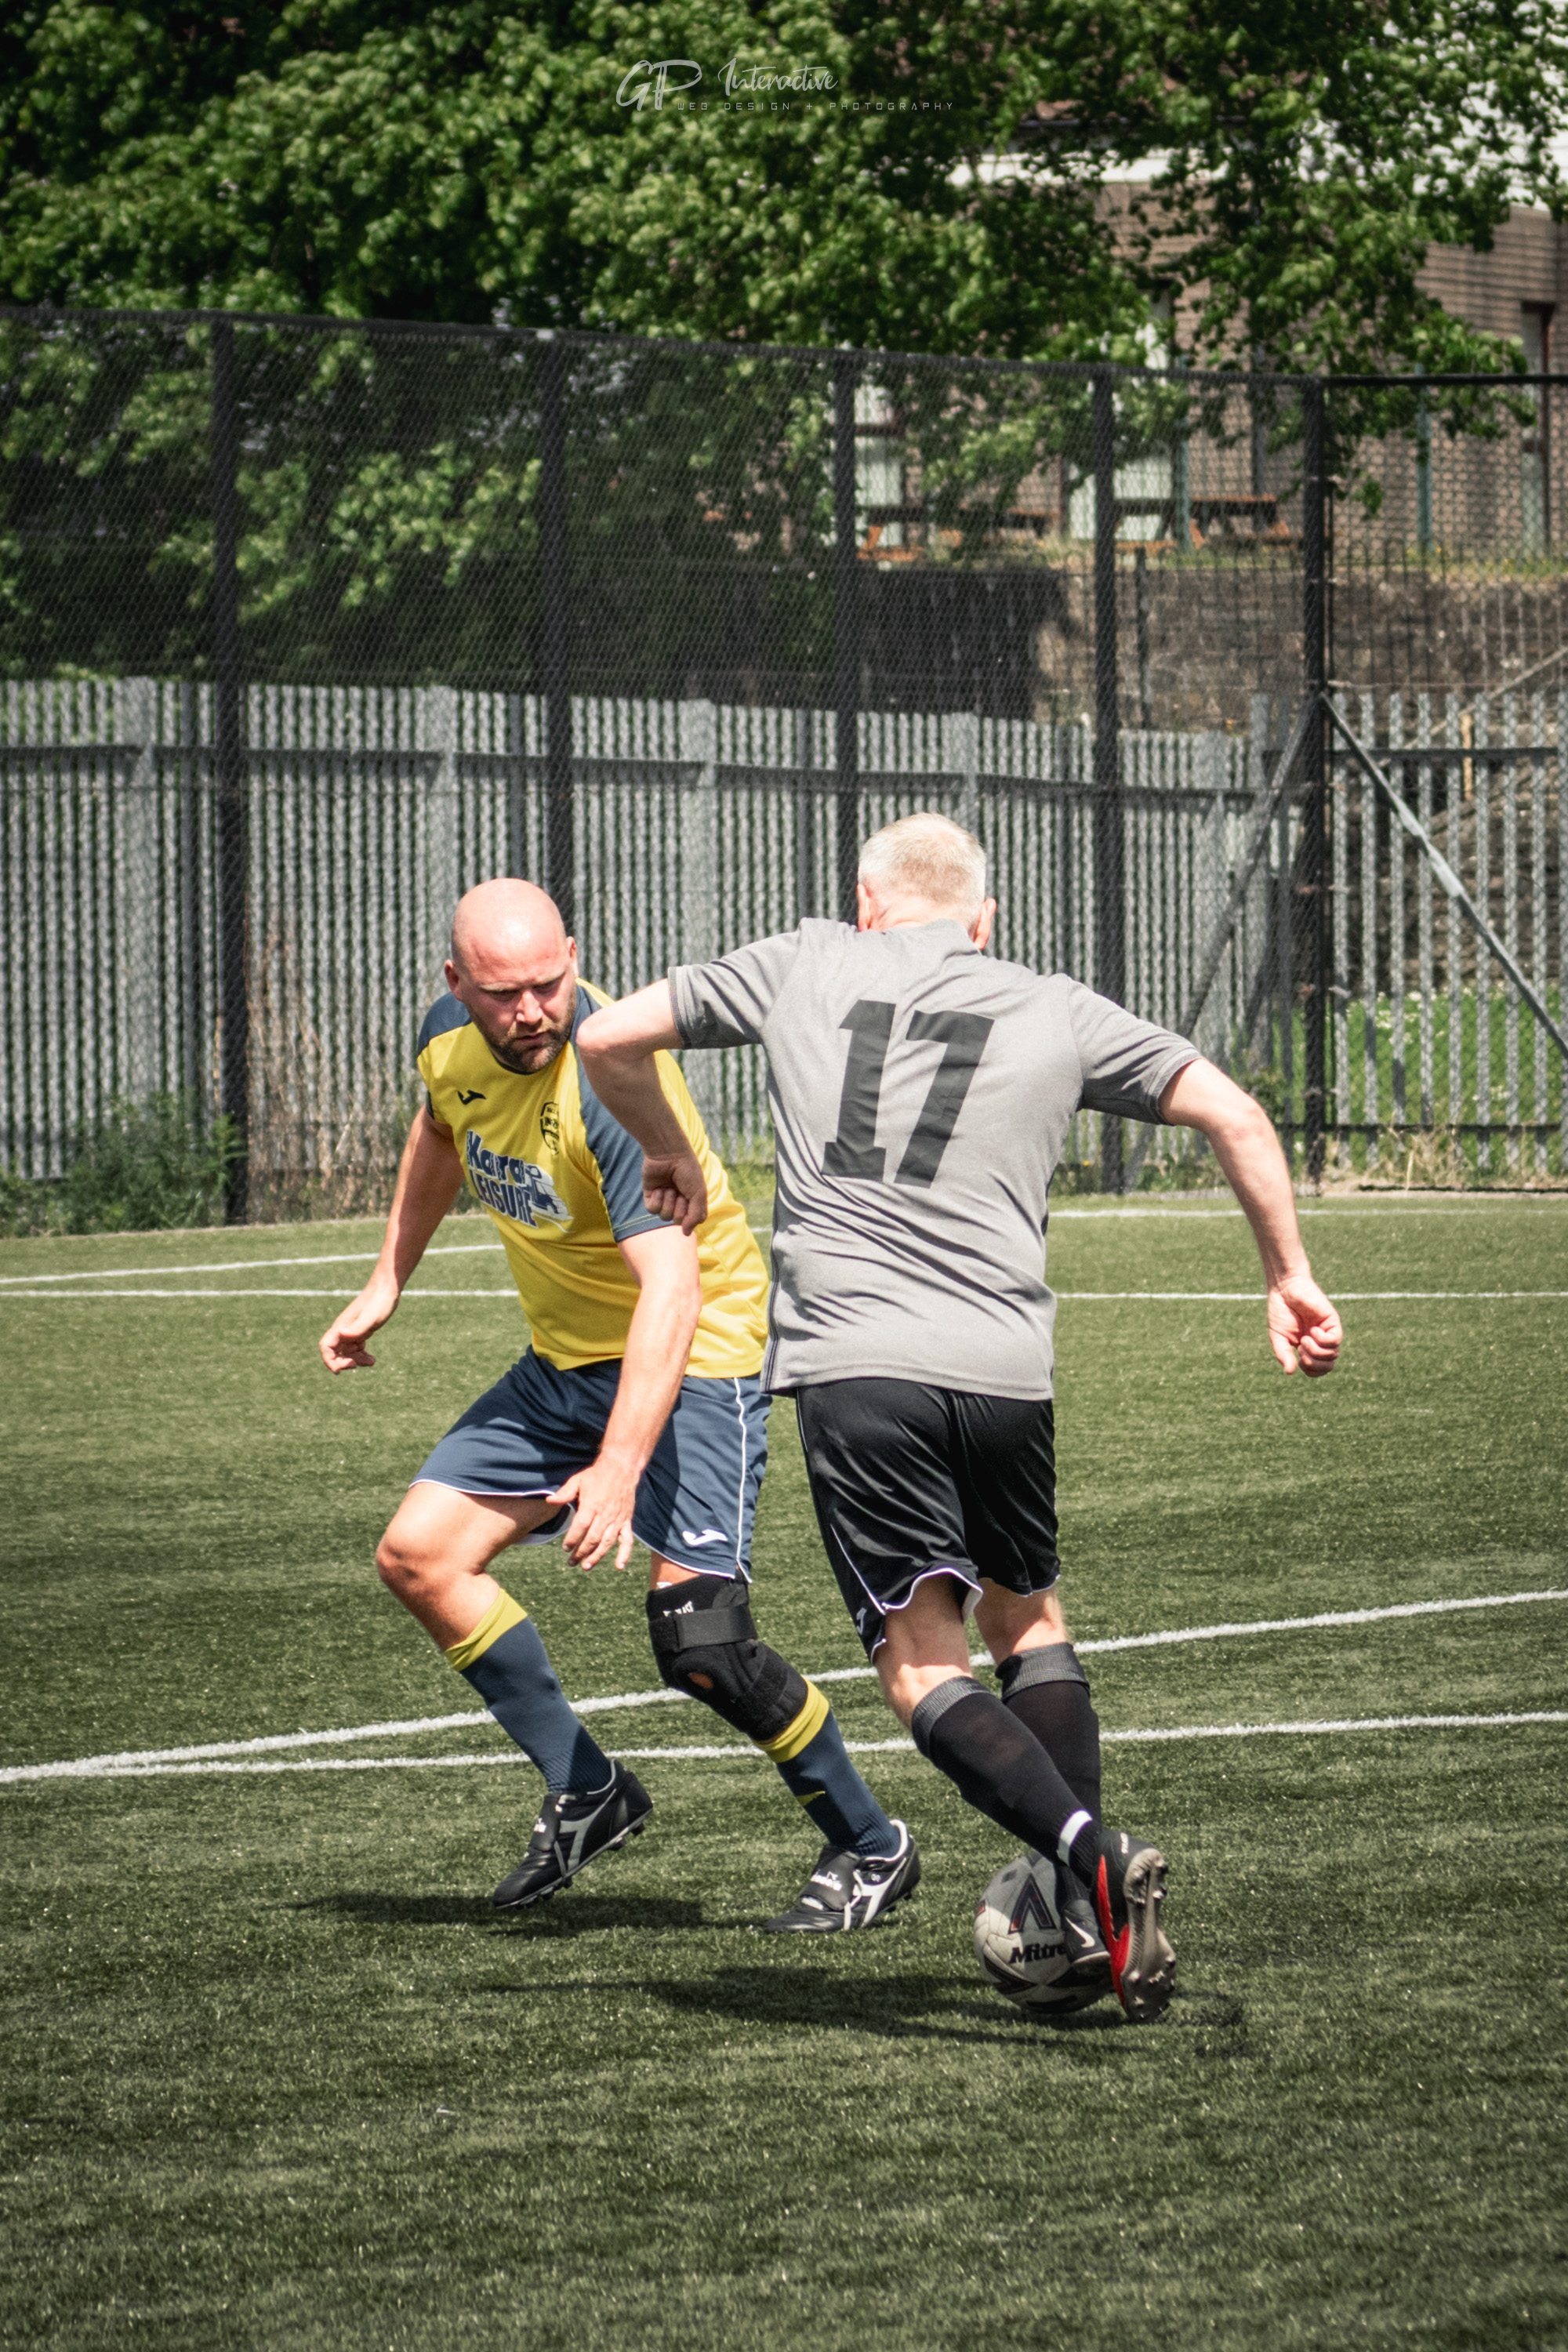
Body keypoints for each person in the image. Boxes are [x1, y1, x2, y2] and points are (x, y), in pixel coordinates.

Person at [577, 813, 1344, 2022]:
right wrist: (1287, 1273)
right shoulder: (1053, 1004)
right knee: (1028, 1621)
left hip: (856, 1368)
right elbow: (1238, 1116)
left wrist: (668, 1150)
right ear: (982, 921)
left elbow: (605, 1033)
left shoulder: (804, 959)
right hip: (1005, 1373)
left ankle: (1087, 1853)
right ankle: (1083, 1911)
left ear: (867, 901)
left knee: (920, 1665)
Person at [318, 878, 920, 1931]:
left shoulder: (605, 1084)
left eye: (550, 985)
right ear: (456, 986)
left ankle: (872, 1843)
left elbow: (674, 1289)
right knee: (419, 1557)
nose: (533, 1012)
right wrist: (388, 1280)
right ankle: (589, 1788)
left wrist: (619, 1467)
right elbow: (438, 1131)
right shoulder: (448, 1044)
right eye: (503, 995)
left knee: (701, 1642)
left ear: (575, 959)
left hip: (697, 1349)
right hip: (567, 1361)